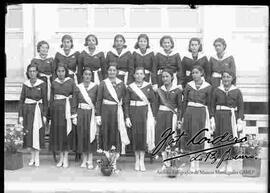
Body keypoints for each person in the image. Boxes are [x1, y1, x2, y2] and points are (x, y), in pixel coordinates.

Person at [96, 62, 130, 170]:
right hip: (106, 112)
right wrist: (98, 115)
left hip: (117, 112)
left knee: (116, 134)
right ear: (107, 71)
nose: (111, 72)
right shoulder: (103, 83)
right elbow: (99, 100)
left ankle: (114, 161)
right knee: (106, 133)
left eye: (114, 70)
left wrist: (126, 116)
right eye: (110, 70)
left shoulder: (121, 84)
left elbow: (125, 101)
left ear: (117, 72)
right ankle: (107, 159)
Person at [211, 69, 245, 173]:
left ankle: (229, 164)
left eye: (228, 77)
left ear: (232, 78)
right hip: (219, 117)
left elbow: (241, 107)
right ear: (221, 78)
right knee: (221, 140)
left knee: (230, 141)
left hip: (231, 117)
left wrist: (239, 120)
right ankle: (223, 163)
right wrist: (212, 118)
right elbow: (212, 105)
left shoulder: (237, 91)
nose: (226, 79)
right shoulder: (217, 90)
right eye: (224, 76)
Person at [181, 65, 213, 172]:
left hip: (201, 113)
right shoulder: (188, 85)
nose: (194, 75)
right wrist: (182, 116)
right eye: (193, 73)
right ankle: (192, 164)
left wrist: (211, 117)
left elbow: (210, 103)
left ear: (202, 73)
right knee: (190, 136)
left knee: (199, 137)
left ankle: (197, 163)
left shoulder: (208, 87)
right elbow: (184, 102)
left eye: (197, 72)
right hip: (189, 112)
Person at [125, 67, 156, 171]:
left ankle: (142, 160)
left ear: (144, 75)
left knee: (143, 135)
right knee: (135, 135)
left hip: (144, 112)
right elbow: (126, 103)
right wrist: (127, 117)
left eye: (141, 74)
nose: (139, 76)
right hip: (133, 111)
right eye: (137, 74)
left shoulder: (148, 86)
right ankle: (136, 160)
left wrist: (153, 117)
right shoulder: (130, 87)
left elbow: (153, 102)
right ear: (134, 75)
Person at [18, 64, 47, 167]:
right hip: (28, 111)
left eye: (34, 71)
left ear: (37, 72)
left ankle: (37, 156)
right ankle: (32, 156)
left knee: (37, 133)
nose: (32, 73)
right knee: (30, 134)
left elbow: (45, 100)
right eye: (30, 71)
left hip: (38, 110)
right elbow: (21, 100)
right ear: (28, 73)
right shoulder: (25, 84)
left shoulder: (42, 84)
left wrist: (44, 115)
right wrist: (20, 116)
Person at [48, 63, 77, 168]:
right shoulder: (54, 83)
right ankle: (61, 157)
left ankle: (66, 157)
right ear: (56, 72)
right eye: (59, 71)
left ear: (66, 72)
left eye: (63, 71)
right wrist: (50, 115)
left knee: (66, 132)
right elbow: (51, 99)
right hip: (56, 111)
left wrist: (73, 113)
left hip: (67, 110)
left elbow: (75, 97)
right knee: (58, 133)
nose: (61, 73)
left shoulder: (70, 82)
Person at [155, 68, 183, 171]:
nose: (165, 78)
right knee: (162, 138)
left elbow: (180, 107)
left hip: (172, 116)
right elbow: (155, 105)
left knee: (171, 138)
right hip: (161, 115)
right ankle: (165, 163)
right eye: (163, 76)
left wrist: (179, 119)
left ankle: (172, 163)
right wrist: (155, 118)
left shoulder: (177, 90)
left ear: (172, 77)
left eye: (167, 76)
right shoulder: (159, 90)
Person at [72, 67, 98, 169]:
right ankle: (84, 159)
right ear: (82, 75)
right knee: (82, 135)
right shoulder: (78, 87)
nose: (87, 76)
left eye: (89, 74)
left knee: (90, 135)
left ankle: (90, 159)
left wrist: (97, 115)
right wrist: (74, 115)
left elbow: (97, 102)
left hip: (90, 114)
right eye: (85, 74)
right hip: (81, 113)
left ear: (92, 76)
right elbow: (74, 102)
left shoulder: (95, 87)